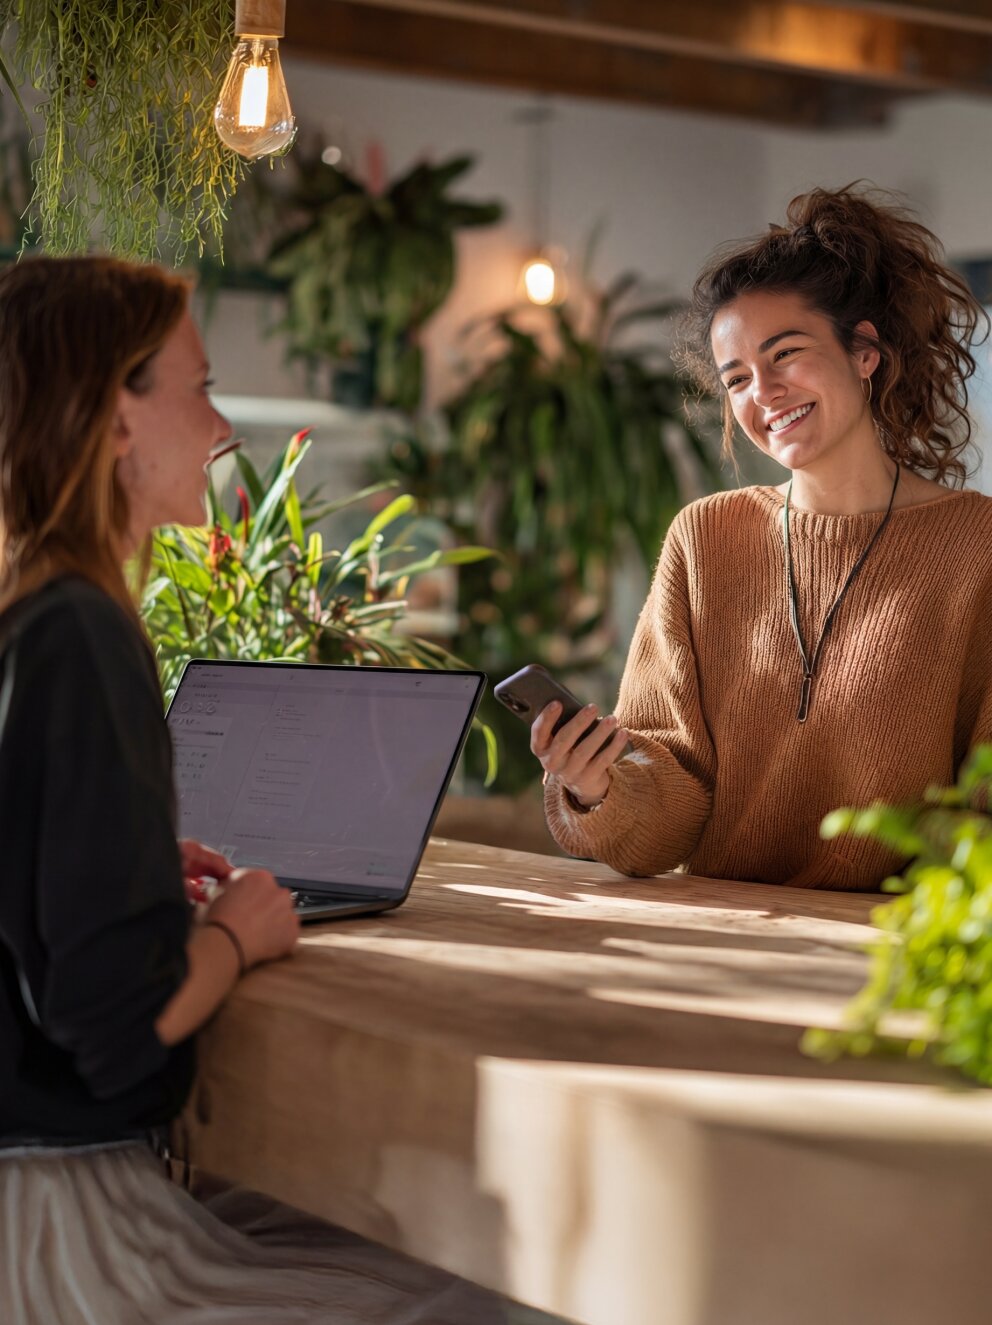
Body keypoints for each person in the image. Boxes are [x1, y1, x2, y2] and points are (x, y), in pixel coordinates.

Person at [0, 256, 533, 1324]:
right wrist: (237, 931)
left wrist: (133, 867)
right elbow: (121, 1028)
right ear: (114, 418)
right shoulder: (84, 634)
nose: (221, 427)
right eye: (199, 388)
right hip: (63, 1235)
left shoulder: (28, 613)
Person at [534, 184, 992, 890]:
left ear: (864, 351)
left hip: (901, 939)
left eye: (786, 354)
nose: (764, 393)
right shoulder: (705, 538)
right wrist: (599, 787)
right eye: (738, 378)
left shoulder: (976, 544)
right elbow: (672, 793)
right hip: (726, 929)